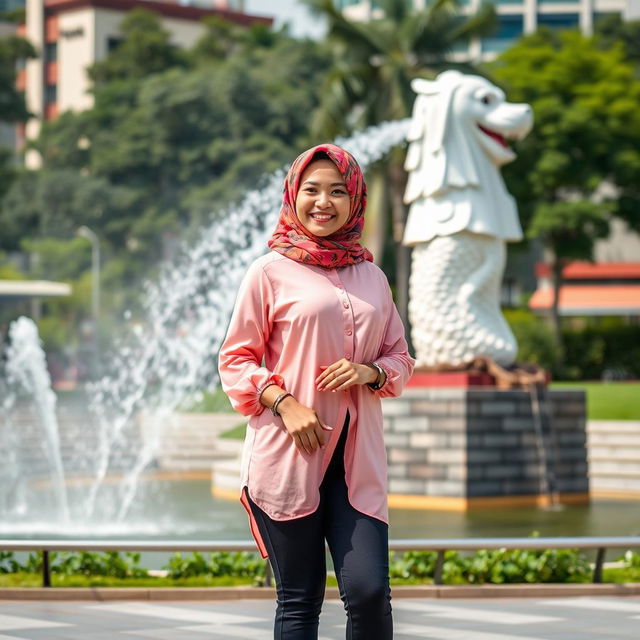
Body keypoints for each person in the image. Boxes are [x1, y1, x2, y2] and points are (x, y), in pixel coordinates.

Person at [218, 143, 414, 640]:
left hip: (356, 465)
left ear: (354, 200)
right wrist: (284, 402)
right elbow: (235, 360)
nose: (322, 202)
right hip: (288, 459)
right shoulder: (268, 272)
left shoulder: (373, 277)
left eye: (336, 191)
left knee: (369, 593)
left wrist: (370, 372)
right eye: (311, 190)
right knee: (300, 602)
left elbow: (401, 359)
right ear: (293, 195)